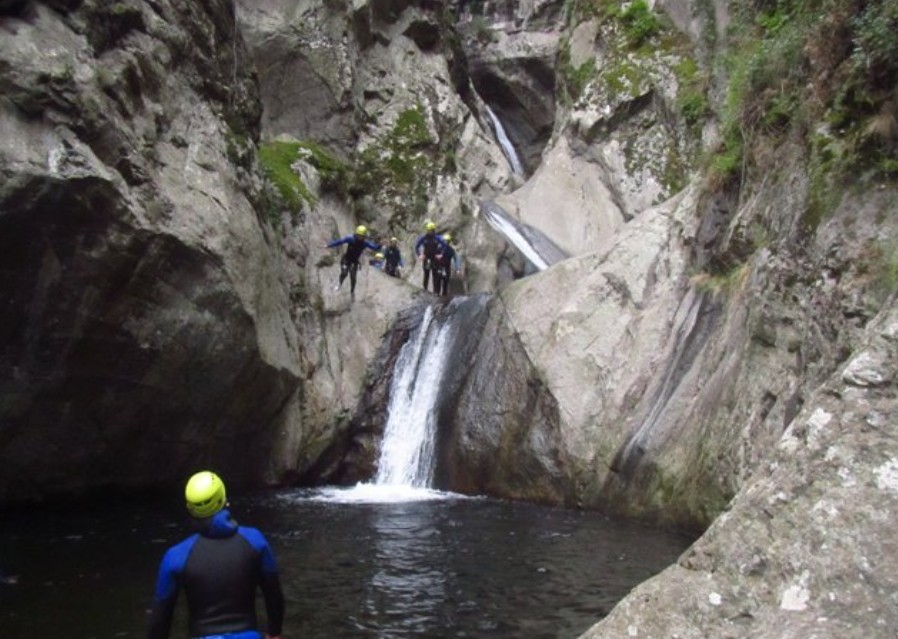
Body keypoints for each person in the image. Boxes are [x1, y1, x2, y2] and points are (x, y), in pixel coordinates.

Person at [146, 471, 284, 639]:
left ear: (190, 508)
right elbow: (274, 595)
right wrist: (274, 633)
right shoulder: (255, 541)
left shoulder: (176, 556)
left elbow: (160, 618)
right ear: (223, 498)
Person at [324, 225, 380, 299]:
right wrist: (328, 245)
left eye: (361, 236)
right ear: (356, 234)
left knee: (353, 277)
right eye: (358, 235)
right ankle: (339, 284)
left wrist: (381, 244)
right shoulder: (351, 239)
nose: (359, 237)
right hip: (346, 259)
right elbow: (340, 242)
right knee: (344, 273)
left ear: (364, 236)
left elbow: (375, 248)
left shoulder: (365, 243)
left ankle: (352, 292)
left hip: (354, 262)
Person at [414, 222, 448, 293]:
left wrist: (441, 254)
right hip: (427, 258)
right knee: (426, 274)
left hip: (434, 258)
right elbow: (417, 246)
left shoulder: (437, 238)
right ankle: (425, 289)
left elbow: (444, 246)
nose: (429, 232)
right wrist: (419, 255)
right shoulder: (423, 238)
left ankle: (435, 292)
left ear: (433, 230)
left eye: (431, 230)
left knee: (435, 275)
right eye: (428, 230)